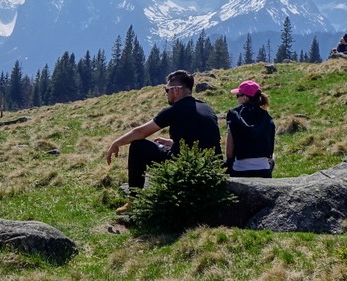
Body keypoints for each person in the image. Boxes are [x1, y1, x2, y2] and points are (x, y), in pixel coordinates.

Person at [104, 70, 221, 213]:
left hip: (186, 162)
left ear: (176, 90)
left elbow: (140, 132)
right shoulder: (207, 108)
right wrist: (173, 143)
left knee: (138, 146)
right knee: (155, 146)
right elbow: (201, 138)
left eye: (167, 89)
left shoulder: (175, 109)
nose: (166, 93)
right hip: (211, 164)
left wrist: (115, 143)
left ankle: (134, 201)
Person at [224, 80, 275, 178]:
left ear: (244, 98)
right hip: (264, 171)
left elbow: (229, 153)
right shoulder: (267, 117)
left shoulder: (234, 115)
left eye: (237, 95)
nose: (237, 99)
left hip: (240, 170)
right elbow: (271, 152)